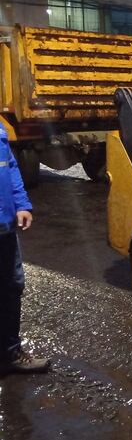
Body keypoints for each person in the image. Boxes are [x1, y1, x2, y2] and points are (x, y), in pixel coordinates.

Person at [0, 124, 48, 375]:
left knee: (11, 287)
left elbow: (10, 166)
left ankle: (10, 353)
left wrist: (21, 204)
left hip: (5, 226)